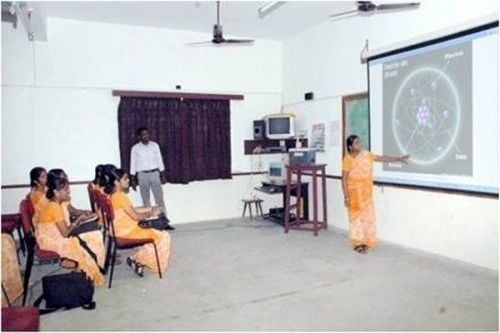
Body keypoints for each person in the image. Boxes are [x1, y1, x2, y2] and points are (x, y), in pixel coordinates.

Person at [342, 135, 410, 254]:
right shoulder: (348, 159)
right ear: (350, 146)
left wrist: (398, 159)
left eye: (360, 142)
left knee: (368, 218)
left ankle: (367, 241)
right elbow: (344, 179)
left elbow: (381, 158)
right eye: (357, 143)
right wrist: (346, 196)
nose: (360, 145)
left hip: (367, 193)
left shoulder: (366, 154)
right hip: (354, 193)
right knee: (356, 219)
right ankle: (358, 243)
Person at [36, 172, 105, 286]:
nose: (68, 192)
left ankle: (87, 270)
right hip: (51, 242)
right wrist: (78, 221)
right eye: (65, 190)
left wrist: (80, 219)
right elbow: (65, 233)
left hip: (54, 237)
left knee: (91, 235)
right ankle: (87, 272)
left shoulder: (55, 204)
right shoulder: (54, 207)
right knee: (93, 238)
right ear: (56, 192)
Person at [105, 167, 171, 277]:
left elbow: (130, 210)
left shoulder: (112, 195)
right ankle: (136, 259)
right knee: (163, 237)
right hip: (126, 232)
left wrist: (149, 208)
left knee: (153, 233)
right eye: (125, 179)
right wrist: (151, 213)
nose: (128, 181)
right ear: (117, 182)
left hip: (118, 230)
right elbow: (136, 216)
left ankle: (136, 259)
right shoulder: (120, 197)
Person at [129, 127, 174, 230]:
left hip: (154, 174)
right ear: (139, 137)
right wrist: (133, 179)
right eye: (143, 135)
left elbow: (159, 159)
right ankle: (150, 223)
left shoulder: (155, 146)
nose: (146, 136)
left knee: (159, 199)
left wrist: (162, 174)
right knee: (146, 201)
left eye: (147, 134)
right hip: (142, 175)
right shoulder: (135, 148)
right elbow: (133, 163)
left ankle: (164, 222)